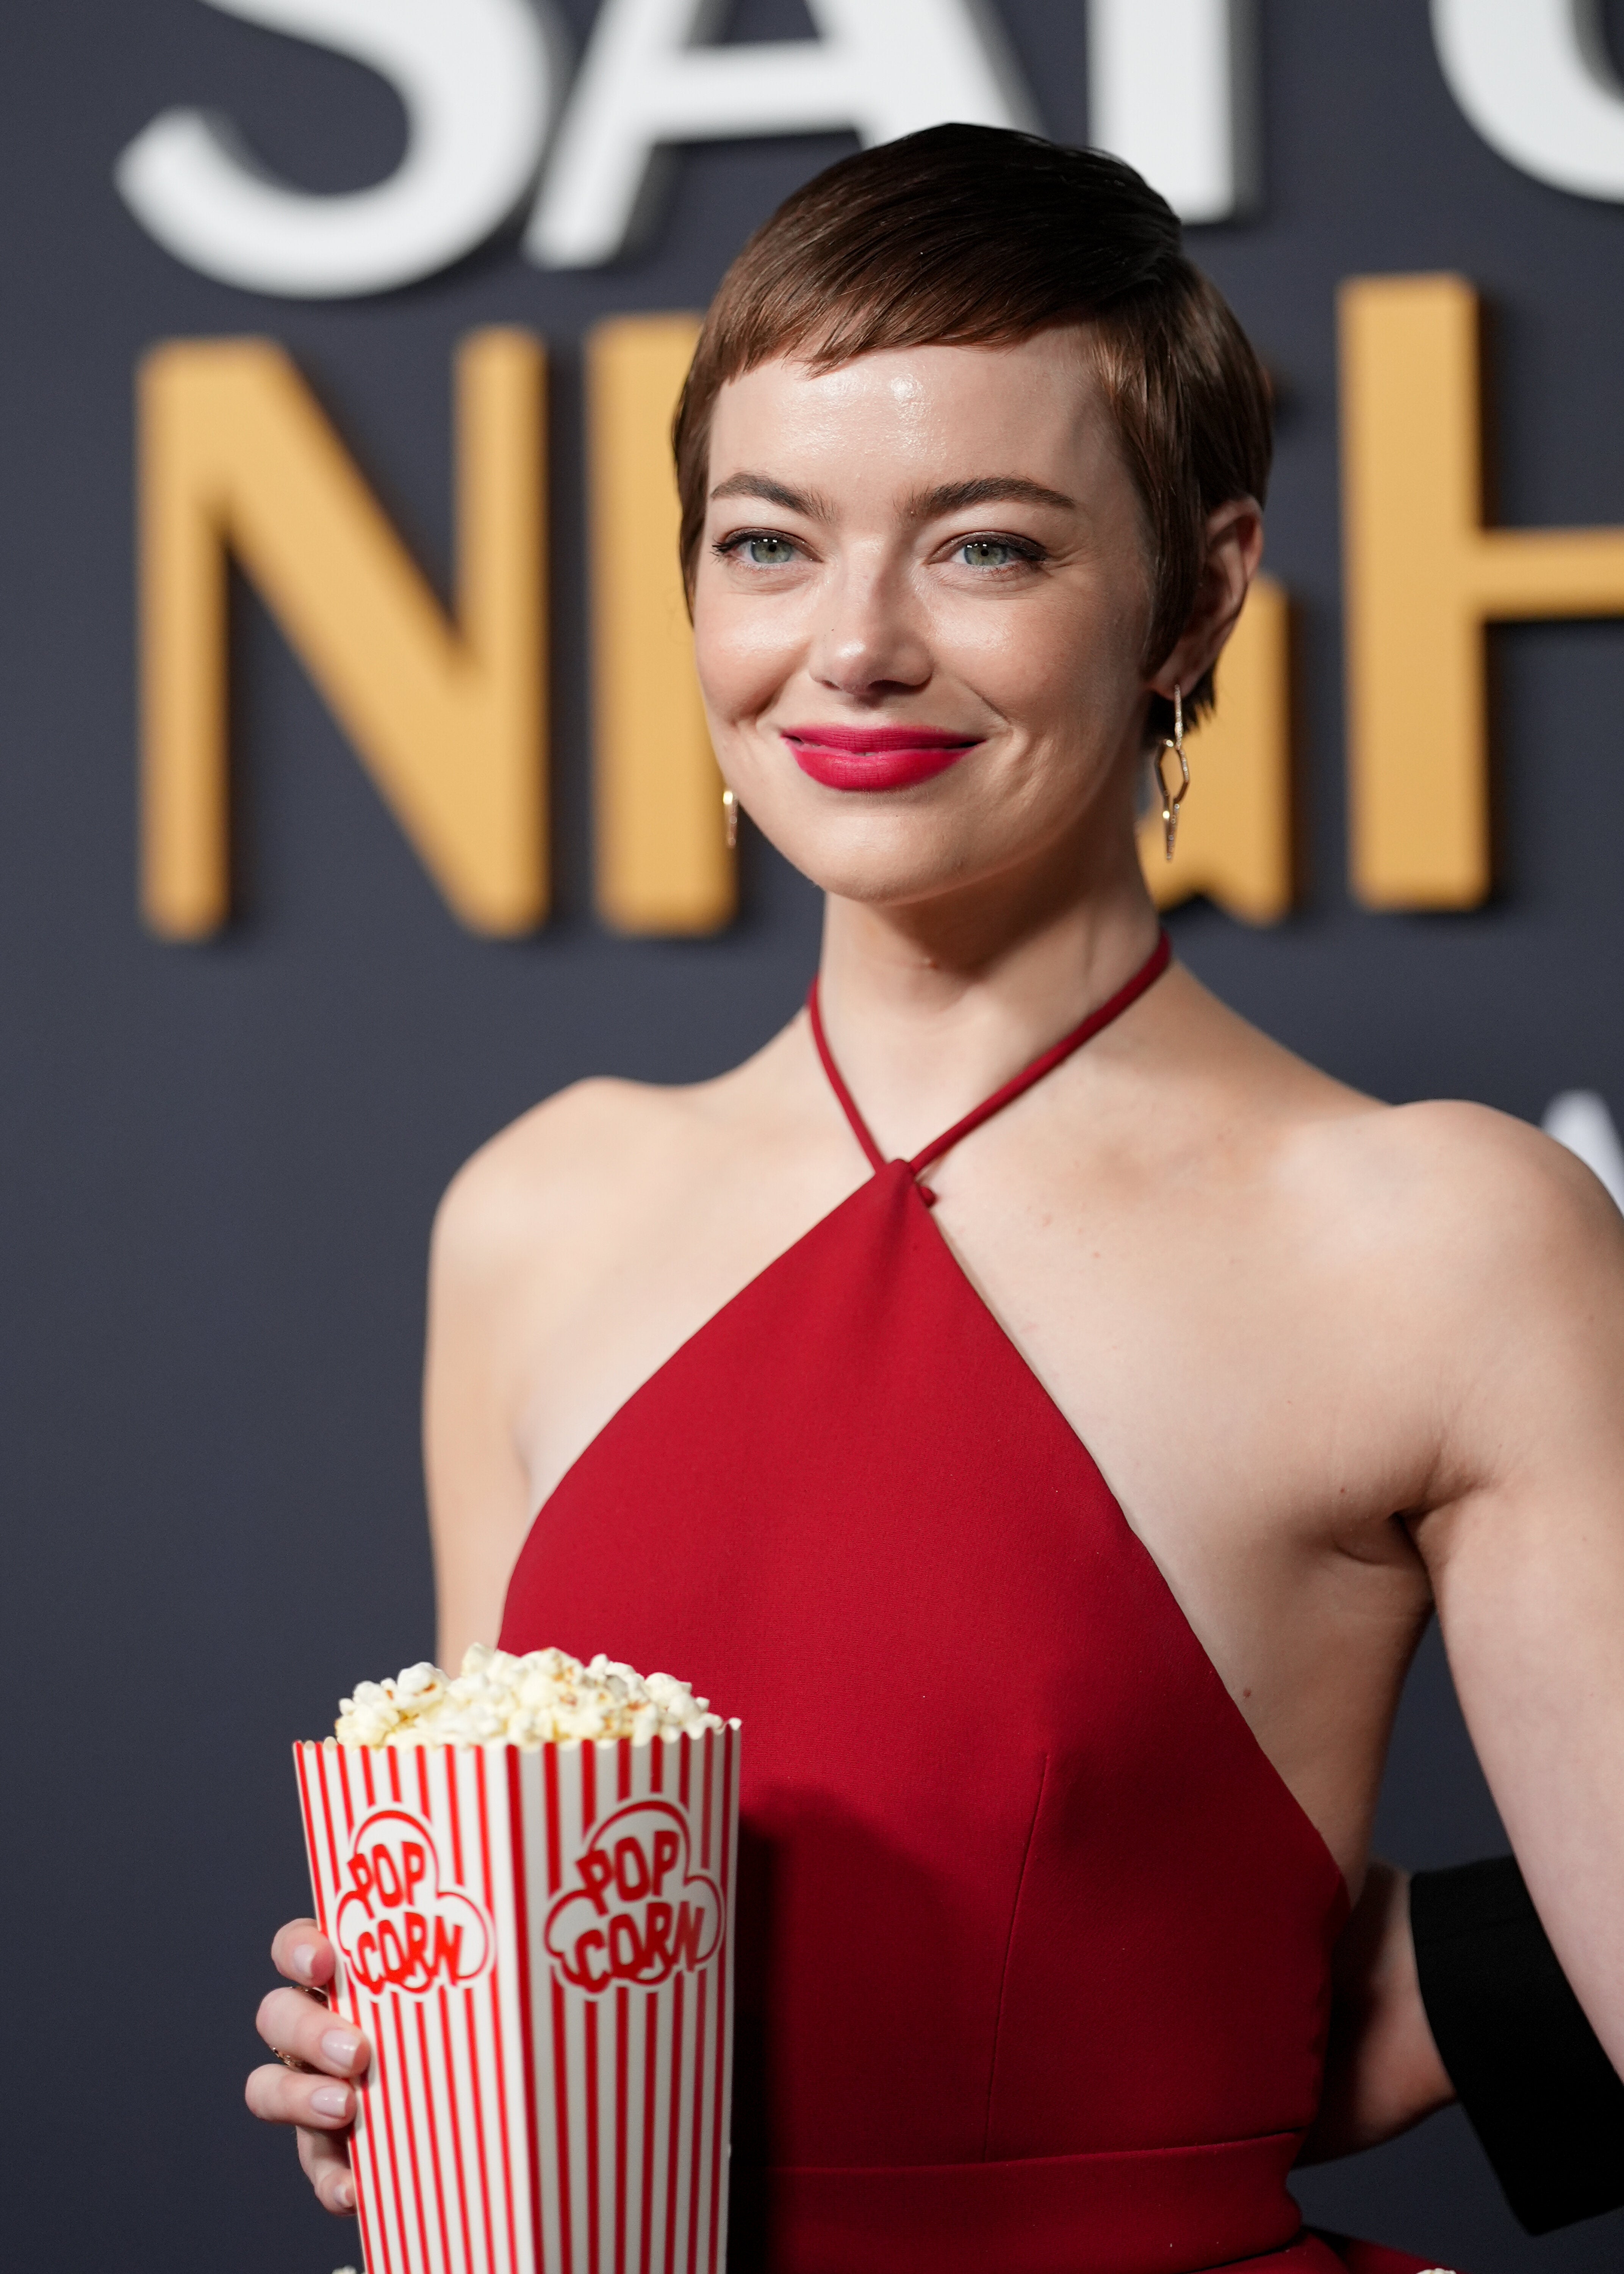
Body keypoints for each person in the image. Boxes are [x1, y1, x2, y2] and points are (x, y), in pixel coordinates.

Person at [245, 127, 1624, 2272]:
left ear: (1199, 592)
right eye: (768, 543)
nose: (856, 647)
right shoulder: (536, 1209)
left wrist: (1326, 2006)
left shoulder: (1442, 1236)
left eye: (986, 547)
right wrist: (416, 2075)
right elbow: (549, 1946)